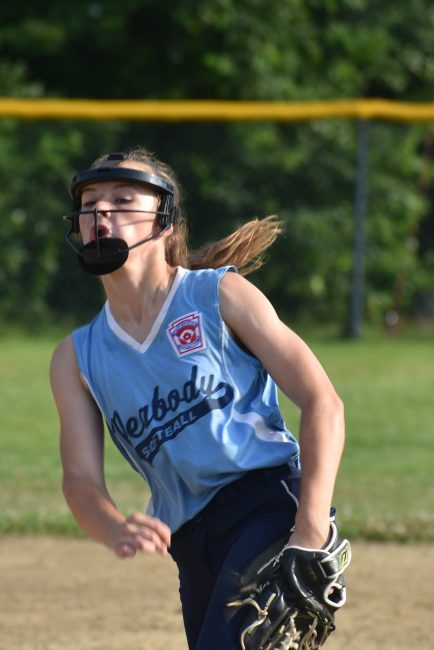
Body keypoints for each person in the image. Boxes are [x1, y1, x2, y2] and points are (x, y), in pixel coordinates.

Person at [48, 147, 347, 649]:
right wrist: (114, 527)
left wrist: (310, 528)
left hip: (267, 506)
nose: (101, 213)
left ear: (163, 221)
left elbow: (322, 401)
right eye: (90, 202)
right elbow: (80, 482)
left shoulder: (217, 295)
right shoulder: (77, 356)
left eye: (122, 199)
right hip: (188, 540)